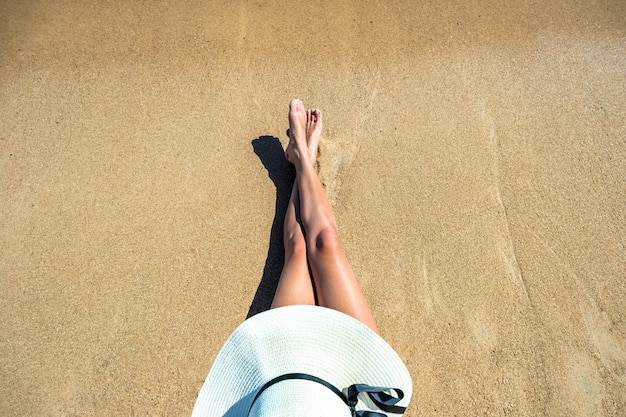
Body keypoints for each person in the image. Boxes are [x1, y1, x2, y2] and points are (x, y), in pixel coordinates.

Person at [192, 99, 412, 417]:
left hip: (282, 378)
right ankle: (303, 159)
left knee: (297, 248)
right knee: (326, 242)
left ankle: (302, 160)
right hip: (350, 384)